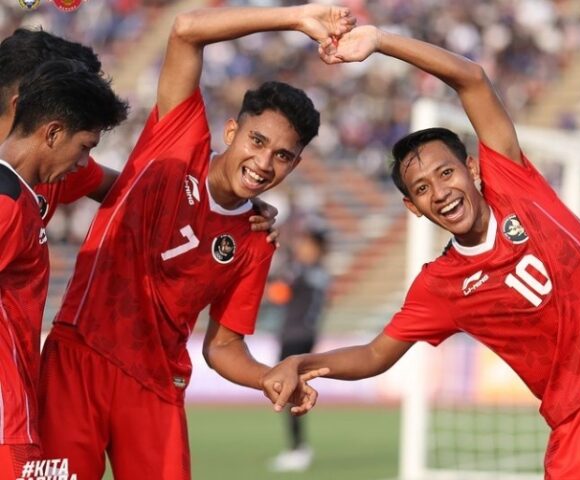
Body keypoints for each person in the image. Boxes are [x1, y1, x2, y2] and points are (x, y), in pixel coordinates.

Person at [261, 25, 580, 479]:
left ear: (473, 169)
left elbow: (471, 79)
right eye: (422, 188)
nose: (440, 191)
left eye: (445, 173)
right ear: (412, 207)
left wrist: (380, 42)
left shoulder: (514, 182)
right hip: (578, 422)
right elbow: (376, 354)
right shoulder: (441, 284)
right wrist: (305, 363)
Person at [38, 4, 353, 479]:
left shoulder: (256, 241)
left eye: (283, 156)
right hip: (78, 360)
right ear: (232, 130)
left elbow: (223, 346)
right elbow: (186, 30)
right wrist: (295, 18)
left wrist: (267, 375)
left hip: (157, 388)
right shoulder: (177, 141)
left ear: (295, 166)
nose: (265, 163)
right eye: (258, 141)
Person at [0, 27, 280, 231]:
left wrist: (235, 202)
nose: (82, 160)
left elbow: (136, 196)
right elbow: (187, 29)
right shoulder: (17, 185)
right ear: (27, 103)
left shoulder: (54, 164)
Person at [0, 58, 127, 479]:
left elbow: (125, 190)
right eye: (86, 146)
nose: (83, 161)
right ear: (53, 133)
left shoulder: (21, 197)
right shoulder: (6, 206)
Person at [269, 224, 330, 472]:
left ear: (317, 249)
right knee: (291, 392)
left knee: (289, 393)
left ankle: (298, 449)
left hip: (297, 338)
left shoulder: (305, 272)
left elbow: (277, 293)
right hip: (303, 336)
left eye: (307, 245)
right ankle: (297, 448)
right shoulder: (318, 273)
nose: (303, 249)